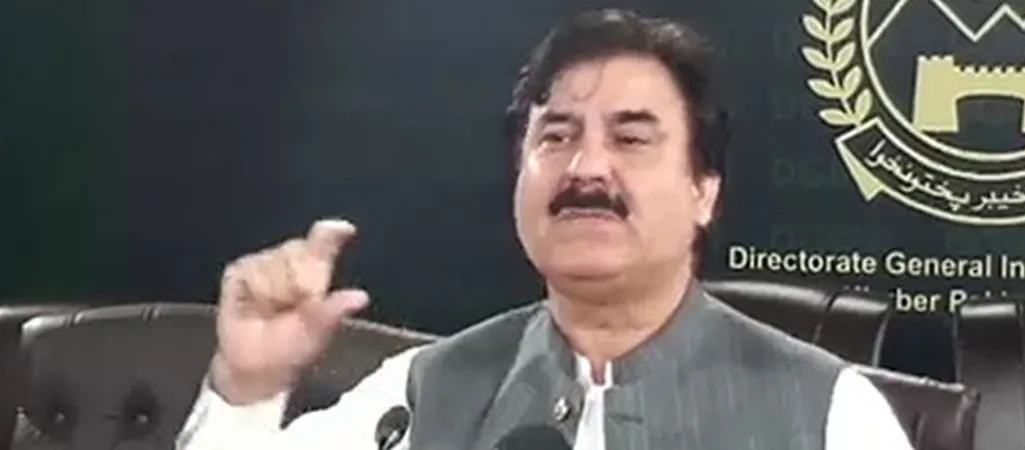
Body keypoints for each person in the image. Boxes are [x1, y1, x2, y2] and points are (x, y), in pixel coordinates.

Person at [176, 8, 914, 450]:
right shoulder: (420, 395)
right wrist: (249, 387)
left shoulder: (831, 415)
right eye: (556, 136)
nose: (586, 168)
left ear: (703, 192)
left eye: (631, 138)